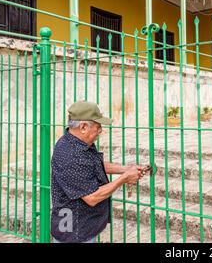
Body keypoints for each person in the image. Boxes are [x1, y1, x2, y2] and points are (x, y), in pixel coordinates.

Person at [50, 101, 151, 243]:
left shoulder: (79, 143)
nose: (100, 131)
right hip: (74, 232)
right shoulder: (70, 154)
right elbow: (92, 197)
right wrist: (124, 178)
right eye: (98, 127)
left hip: (84, 225)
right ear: (83, 127)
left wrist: (125, 169)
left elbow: (93, 164)